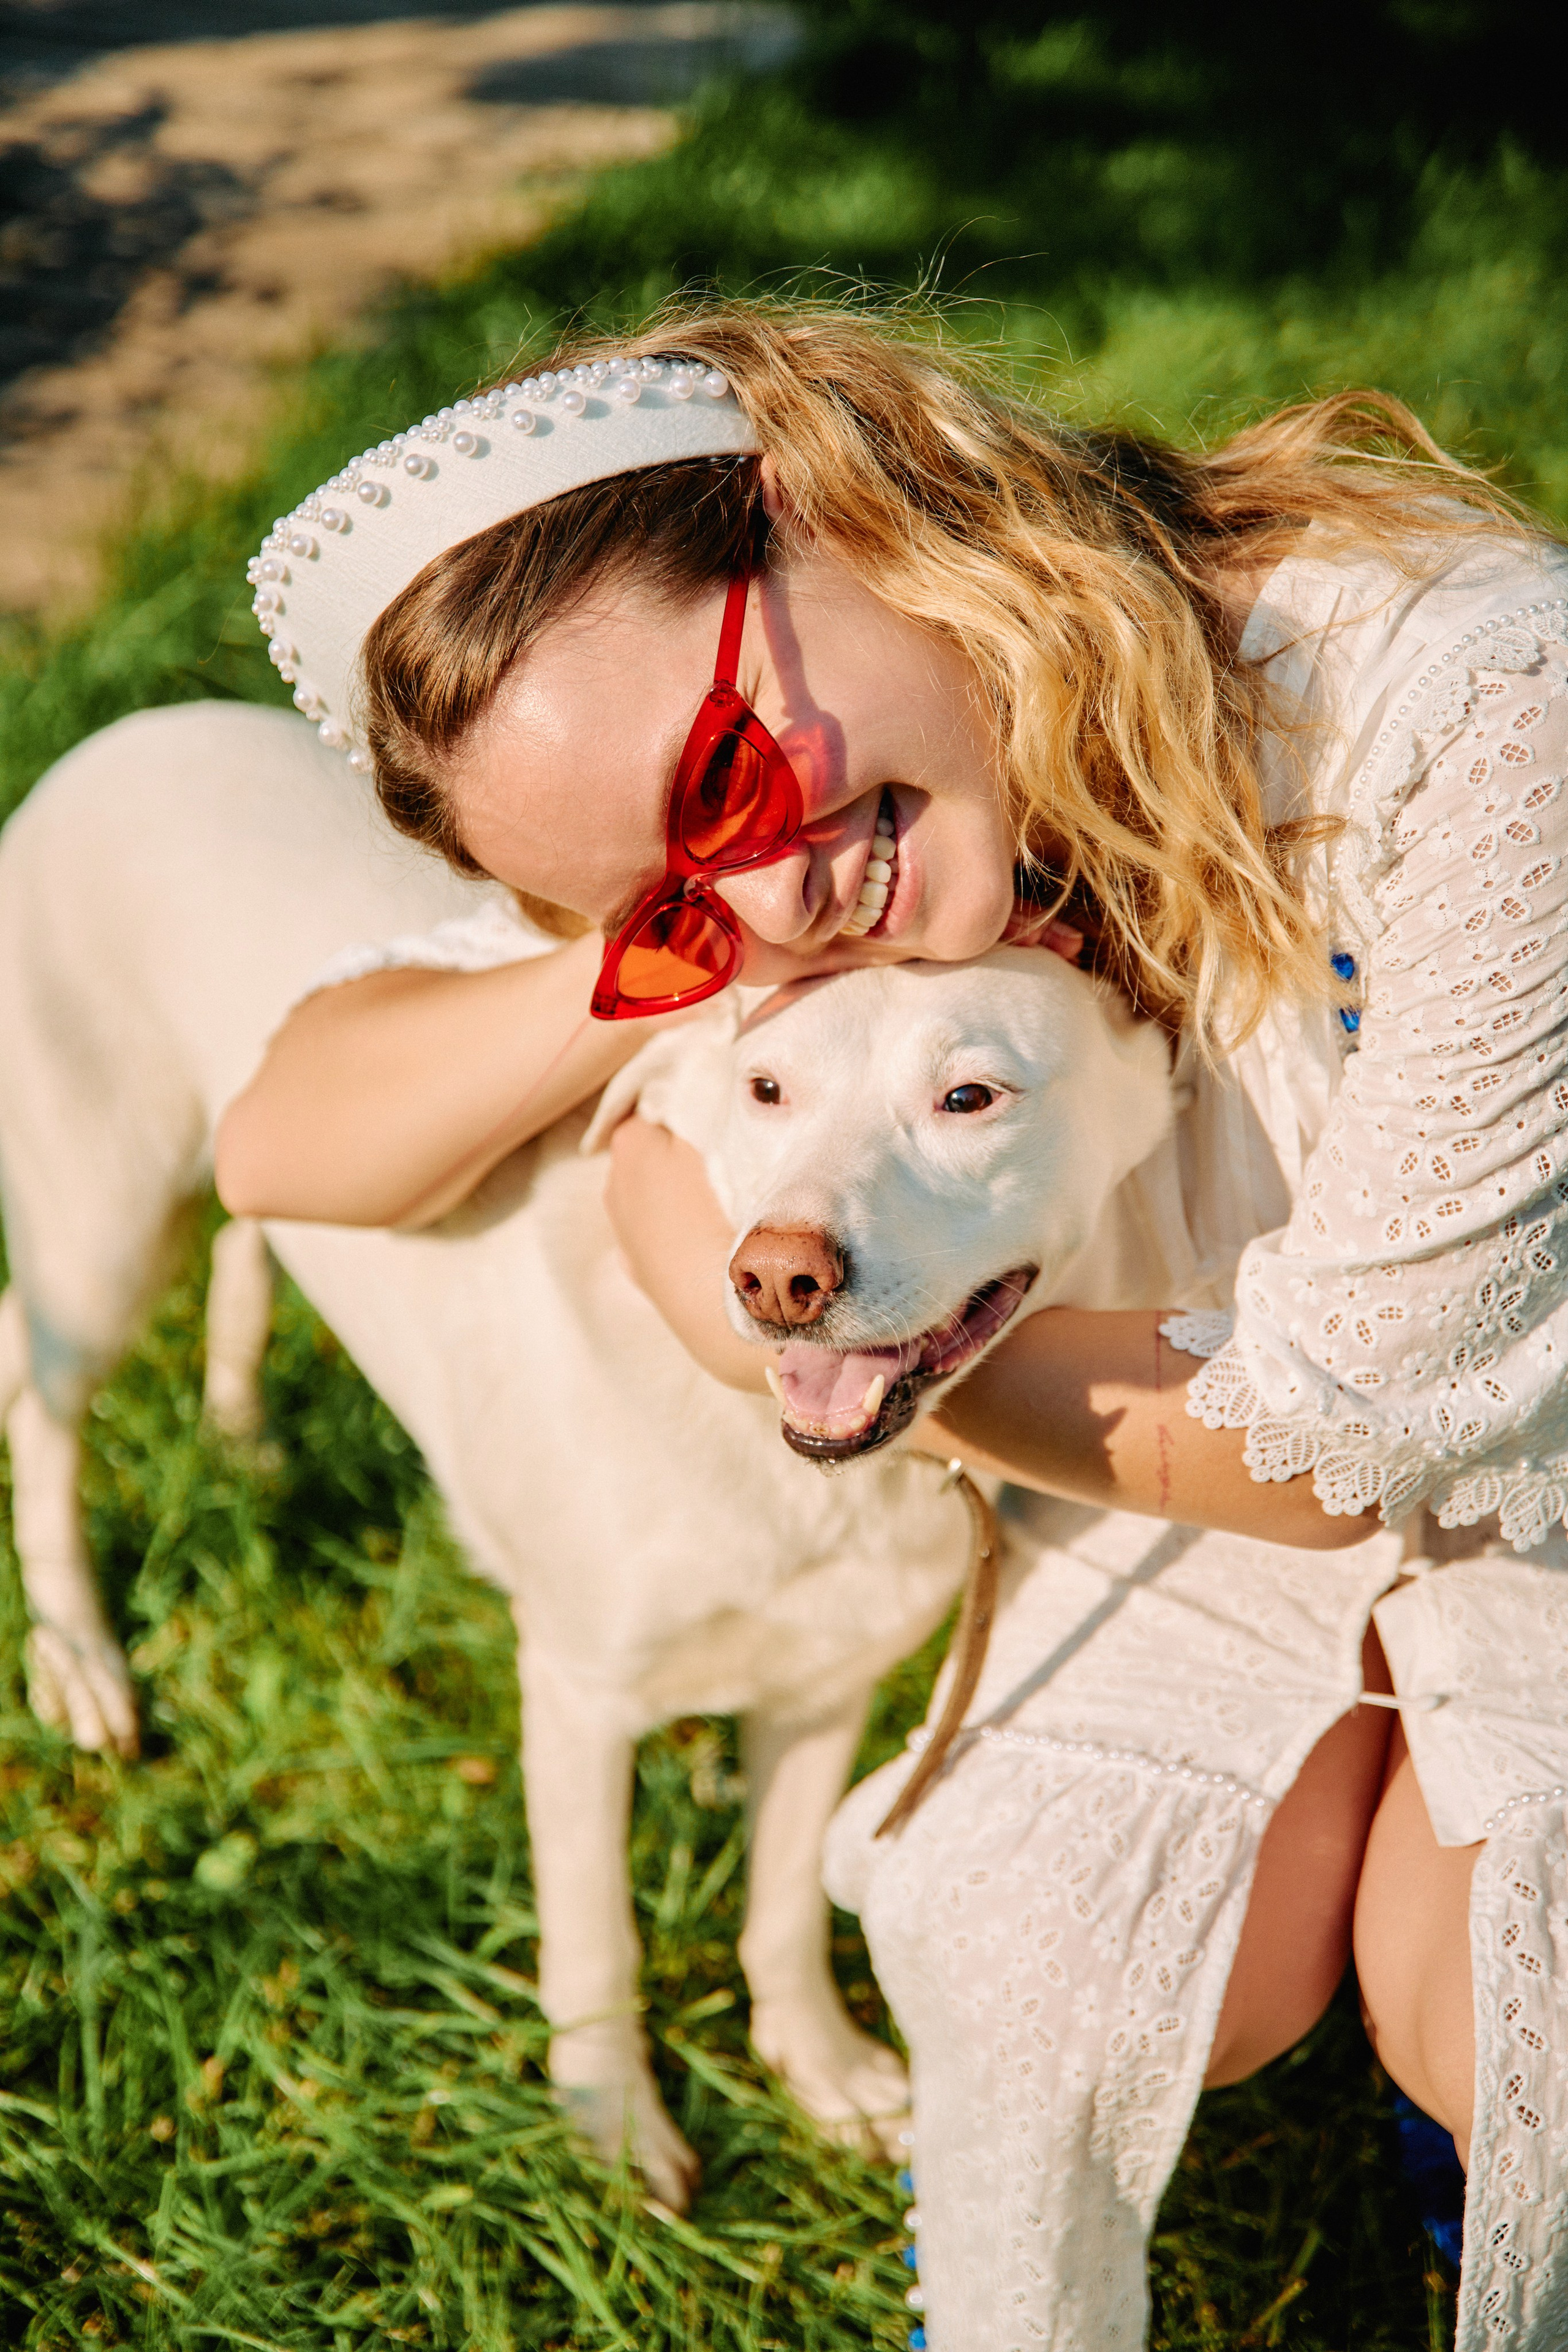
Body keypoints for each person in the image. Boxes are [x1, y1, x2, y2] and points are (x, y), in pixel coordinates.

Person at [217, 301, 1568, 2351]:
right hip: (1194, 1464)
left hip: (1496, 1457)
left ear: (839, 507)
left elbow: (1314, 1449)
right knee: (1030, 1935)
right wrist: (637, 983)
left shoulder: (1476, 715)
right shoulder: (844, 895)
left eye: (737, 775)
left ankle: (1459, 2127)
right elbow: (284, 1130)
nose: (775, 912)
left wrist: (792, 1334)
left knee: (1497, 2002)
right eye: (683, 892)